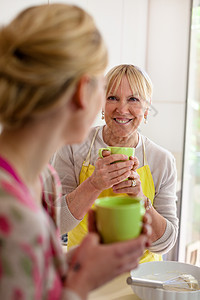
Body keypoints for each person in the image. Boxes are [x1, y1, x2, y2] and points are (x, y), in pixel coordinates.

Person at [0, 6, 151, 300]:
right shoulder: (14, 215)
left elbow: (32, 276)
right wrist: (82, 284)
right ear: (83, 91)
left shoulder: (44, 177)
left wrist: (83, 263)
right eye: (105, 90)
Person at [52, 64, 179, 262]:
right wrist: (94, 184)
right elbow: (55, 223)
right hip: (85, 273)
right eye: (112, 98)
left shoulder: (162, 160)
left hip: (141, 278)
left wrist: (140, 199)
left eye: (133, 99)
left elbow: (165, 243)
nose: (122, 109)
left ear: (146, 108)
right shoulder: (72, 146)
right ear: (102, 103)